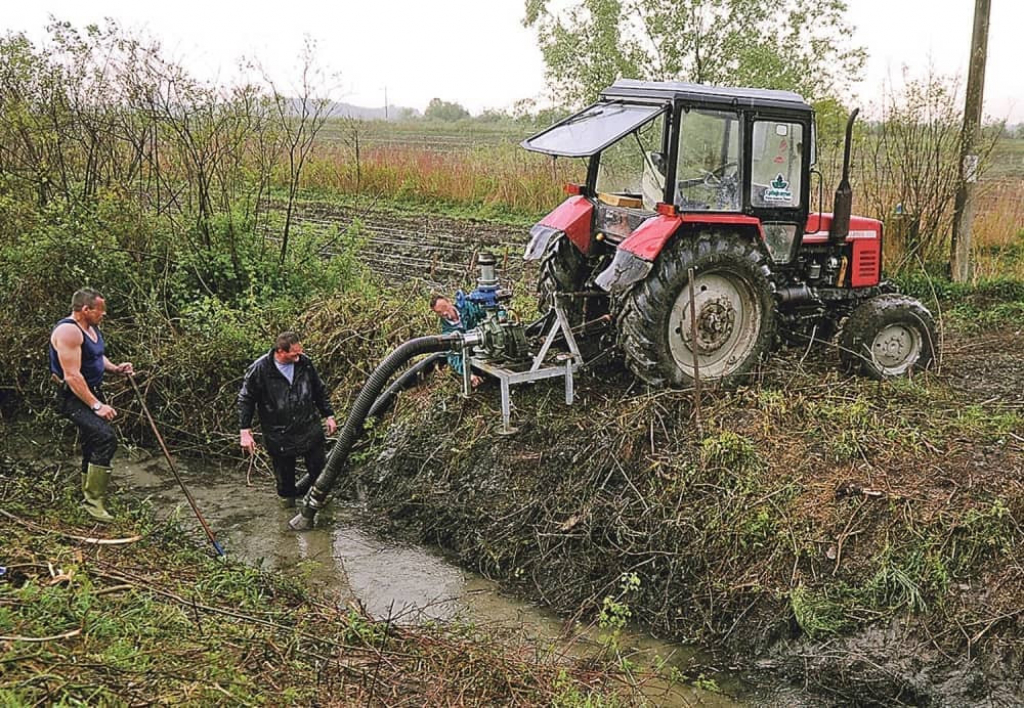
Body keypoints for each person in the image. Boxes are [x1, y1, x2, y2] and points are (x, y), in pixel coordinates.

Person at [49, 288, 134, 523]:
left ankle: (87, 490)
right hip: (73, 397)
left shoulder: (91, 328)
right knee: (105, 438)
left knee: (91, 441)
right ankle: (93, 503)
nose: (104, 314)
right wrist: (97, 406)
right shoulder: (68, 331)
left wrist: (115, 368)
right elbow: (72, 376)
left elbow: (96, 356)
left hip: (90, 392)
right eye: (100, 310)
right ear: (85, 309)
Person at [238, 332, 337, 508]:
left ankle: (324, 512)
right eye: (294, 354)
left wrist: (329, 415)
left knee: (321, 475)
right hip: (279, 434)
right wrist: (245, 431)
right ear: (280, 351)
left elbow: (318, 390)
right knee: (285, 485)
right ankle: (286, 521)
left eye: (300, 353)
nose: (298, 358)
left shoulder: (305, 363)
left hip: (309, 428)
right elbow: (246, 399)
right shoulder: (260, 369)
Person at [429, 292, 483, 388]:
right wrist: (469, 374)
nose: (444, 313)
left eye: (444, 307)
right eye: (439, 312)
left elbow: (485, 312)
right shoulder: (447, 332)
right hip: (475, 355)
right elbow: (453, 356)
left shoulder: (468, 307)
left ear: (449, 302)